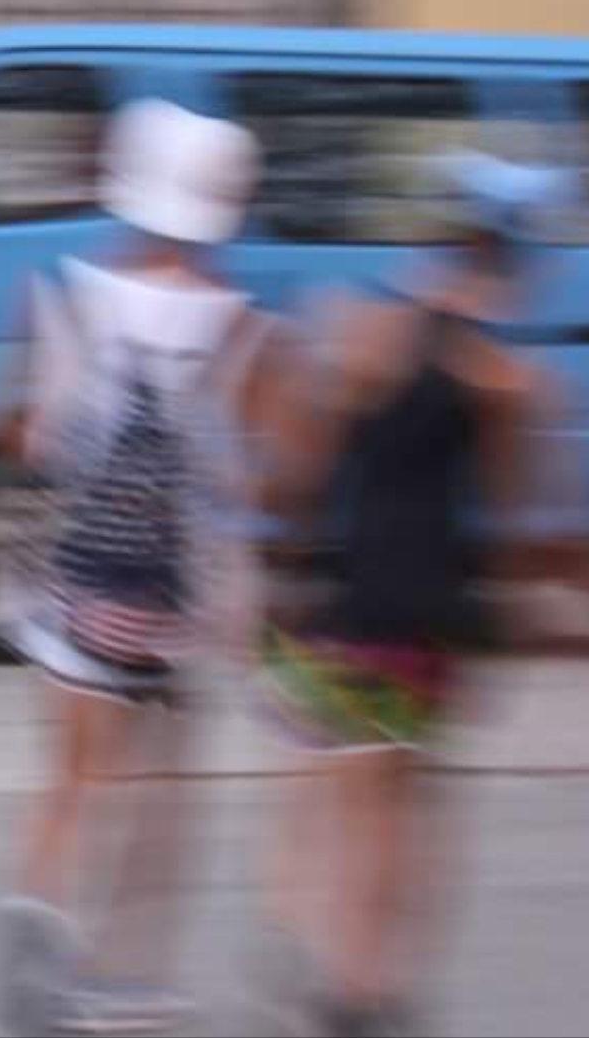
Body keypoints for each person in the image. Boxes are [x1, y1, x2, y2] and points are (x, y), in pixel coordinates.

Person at [0, 100, 288, 1036]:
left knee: (69, 782)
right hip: (170, 596)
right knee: (162, 792)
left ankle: (36, 919)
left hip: (69, 583)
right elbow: (249, 475)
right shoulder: (241, 326)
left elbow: (24, 440)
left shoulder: (62, 294)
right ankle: (127, 972)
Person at [252, 155, 574, 1037]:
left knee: (324, 781)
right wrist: (511, 609)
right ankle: (372, 986)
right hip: (433, 617)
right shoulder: (510, 381)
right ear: (509, 257)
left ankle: (303, 942)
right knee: (410, 804)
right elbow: (511, 524)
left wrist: (279, 569)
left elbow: (298, 478)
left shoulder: (355, 329)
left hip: (344, 603)